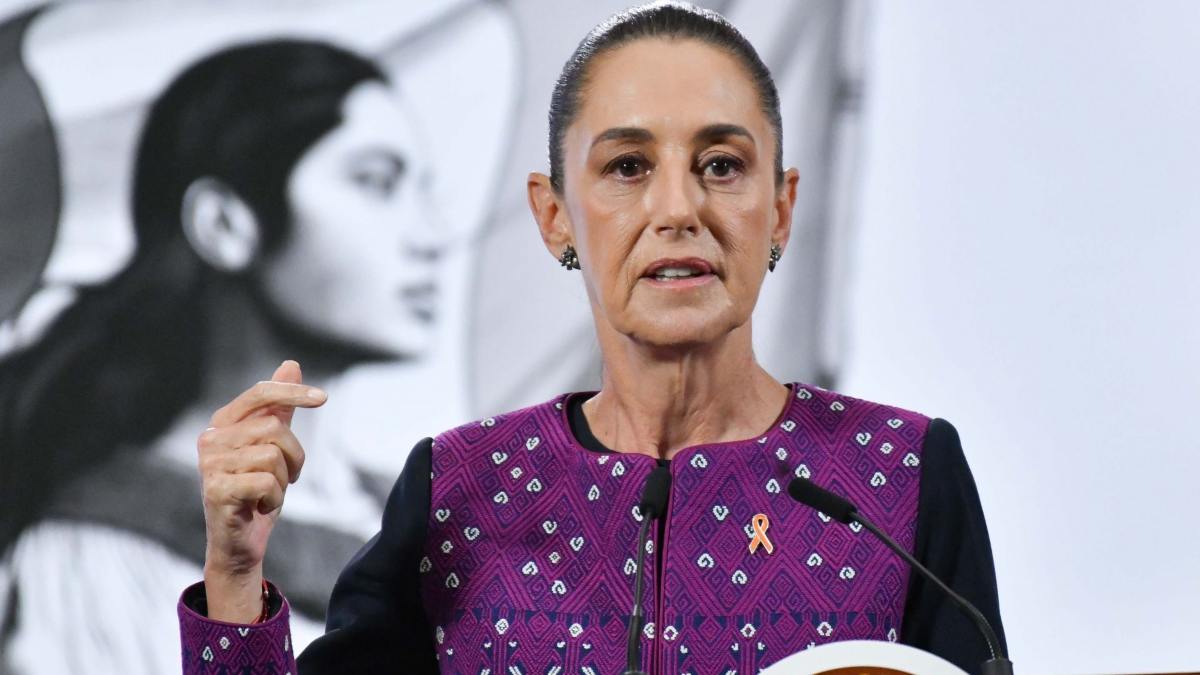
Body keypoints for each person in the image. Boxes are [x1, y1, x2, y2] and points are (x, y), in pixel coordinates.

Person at [179, 3, 1007, 673]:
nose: (678, 209)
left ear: (782, 209)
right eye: (627, 167)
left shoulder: (899, 476)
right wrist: (237, 578)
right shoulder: (457, 490)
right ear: (554, 216)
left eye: (722, 164)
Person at [0, 39, 446, 674]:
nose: (431, 236)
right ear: (224, 224)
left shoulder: (417, 517)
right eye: (375, 182)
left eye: (424, 191)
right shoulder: (98, 555)